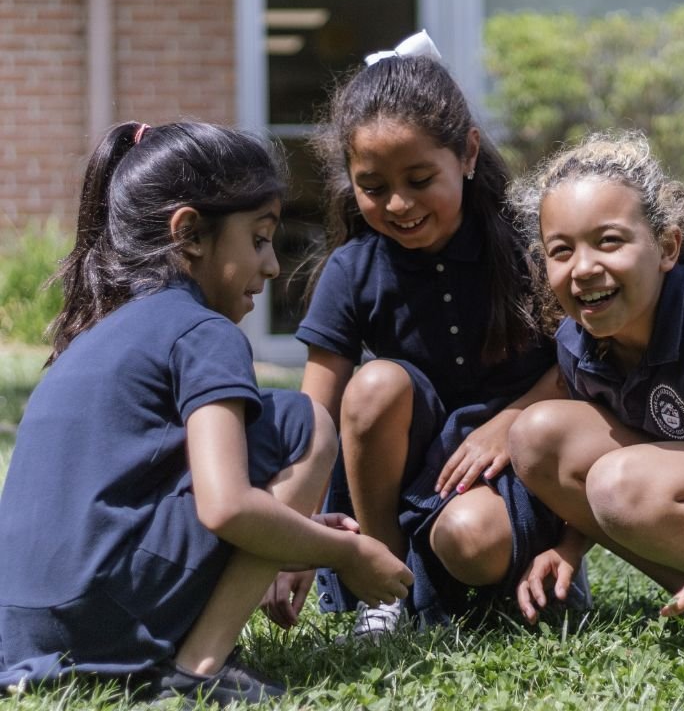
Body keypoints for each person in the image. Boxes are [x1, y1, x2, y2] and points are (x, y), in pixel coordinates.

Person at [0, 121, 412, 704]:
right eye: (259, 238)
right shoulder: (202, 331)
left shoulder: (91, 338)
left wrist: (295, 535)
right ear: (190, 233)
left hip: (21, 638)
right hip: (104, 619)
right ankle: (202, 665)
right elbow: (224, 506)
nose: (271, 267)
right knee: (302, 421)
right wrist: (349, 552)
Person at [276, 31, 590, 639]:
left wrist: (514, 419)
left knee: (469, 539)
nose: (398, 203)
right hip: (394, 485)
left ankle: (531, 572)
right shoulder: (354, 268)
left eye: (420, 179)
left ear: (468, 154)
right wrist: (287, 534)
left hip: (508, 468)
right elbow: (314, 418)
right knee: (374, 386)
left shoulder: (529, 243)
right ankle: (385, 588)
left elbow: (590, 356)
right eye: (373, 186)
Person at [506, 129, 684, 640]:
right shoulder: (582, 341)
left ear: (666, 248)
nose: (584, 269)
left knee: (622, 484)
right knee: (538, 437)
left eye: (609, 241)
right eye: (561, 250)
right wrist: (569, 546)